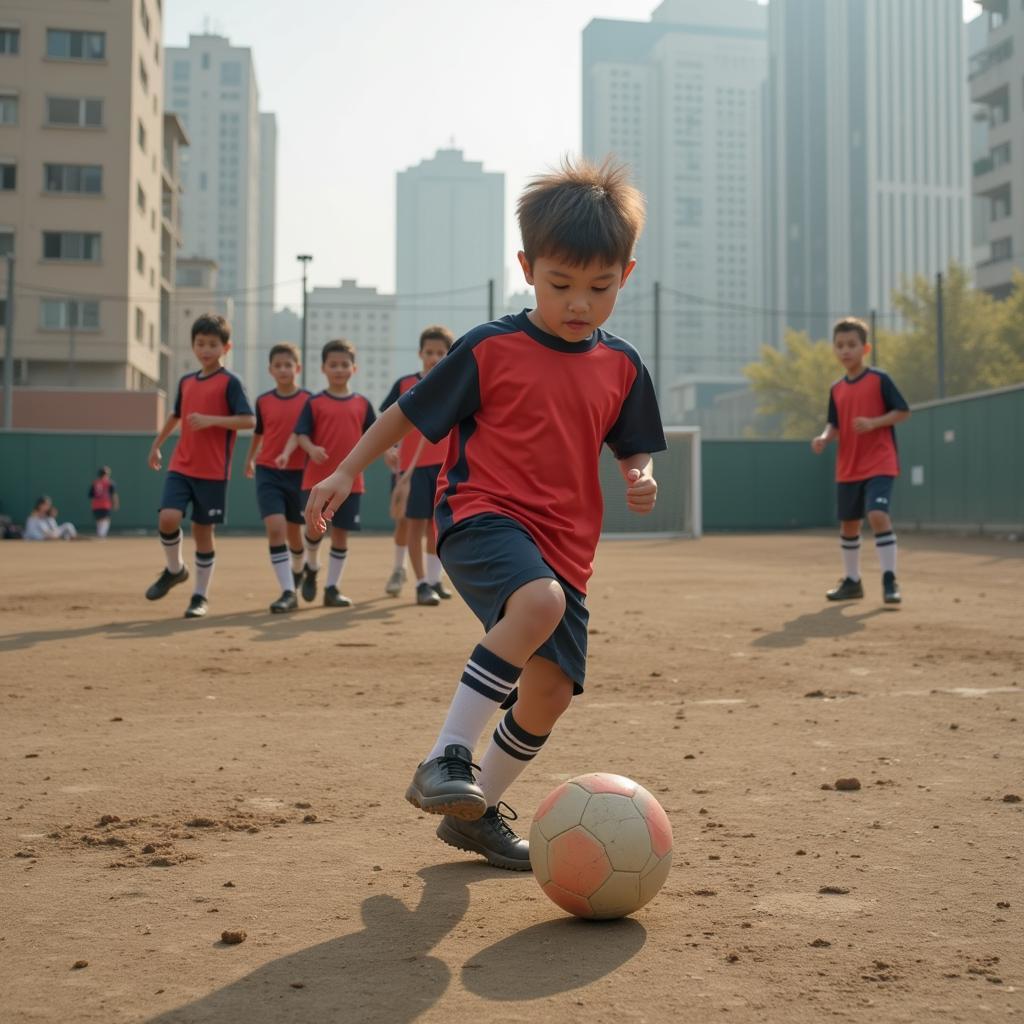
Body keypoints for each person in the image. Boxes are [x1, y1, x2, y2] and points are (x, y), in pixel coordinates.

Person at [305, 158, 665, 869]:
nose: (578, 304)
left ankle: (473, 816)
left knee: (551, 691)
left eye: (599, 288)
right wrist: (347, 469)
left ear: (625, 274)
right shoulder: (490, 347)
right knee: (537, 601)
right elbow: (406, 413)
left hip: (569, 549)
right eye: (561, 285)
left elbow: (632, 445)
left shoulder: (623, 366)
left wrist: (641, 474)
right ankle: (445, 757)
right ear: (528, 267)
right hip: (481, 518)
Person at [145, 314, 255, 618]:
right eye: (200, 343)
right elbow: (176, 414)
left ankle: (199, 597)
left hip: (213, 471)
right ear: (193, 345)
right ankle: (175, 569)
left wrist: (212, 421)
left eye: (212, 344)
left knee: (203, 532)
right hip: (181, 466)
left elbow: (249, 420)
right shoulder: (186, 381)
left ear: (226, 347)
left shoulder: (231, 383)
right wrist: (157, 445)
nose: (205, 349)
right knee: (168, 518)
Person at [811, 317, 911, 605]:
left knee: (877, 516)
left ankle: (890, 580)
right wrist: (824, 437)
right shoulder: (836, 389)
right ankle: (852, 581)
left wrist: (874, 422)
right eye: (840, 345)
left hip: (880, 461)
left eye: (852, 345)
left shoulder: (880, 379)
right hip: (848, 466)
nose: (846, 350)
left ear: (865, 348)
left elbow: (903, 412)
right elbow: (834, 424)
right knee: (849, 526)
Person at [278, 339, 376, 608]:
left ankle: (332, 588)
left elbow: (374, 436)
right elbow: (300, 435)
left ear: (354, 368)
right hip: (316, 481)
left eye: (345, 364)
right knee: (314, 530)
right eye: (333, 364)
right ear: (323, 368)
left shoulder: (362, 404)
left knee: (341, 534)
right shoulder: (314, 402)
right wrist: (311, 449)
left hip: (352, 483)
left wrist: (390, 450)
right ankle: (311, 566)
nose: (339, 369)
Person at [379, 325, 455, 606]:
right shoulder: (404, 385)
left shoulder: (455, 385)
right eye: (429, 352)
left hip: (445, 468)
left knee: (436, 528)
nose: (435, 358)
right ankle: (420, 583)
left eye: (441, 352)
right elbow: (386, 420)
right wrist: (389, 447)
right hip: (412, 469)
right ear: (420, 353)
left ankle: (434, 579)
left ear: (449, 355)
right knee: (411, 525)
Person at [244, 343, 310, 614]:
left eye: (288, 365)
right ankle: (287, 591)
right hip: (268, 470)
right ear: (270, 370)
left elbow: (310, 435)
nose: (283, 370)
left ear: (298, 368)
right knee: (276, 528)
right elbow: (260, 433)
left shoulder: (310, 400)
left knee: (295, 534)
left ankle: (298, 570)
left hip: (301, 474)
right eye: (278, 365)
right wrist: (250, 458)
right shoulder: (263, 400)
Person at [88, 466, 119, 539]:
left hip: (96, 505)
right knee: (106, 520)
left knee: (99, 521)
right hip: (105, 505)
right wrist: (115, 504)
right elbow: (114, 494)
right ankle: (101, 535)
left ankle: (100, 535)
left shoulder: (95, 483)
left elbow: (91, 495)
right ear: (106, 474)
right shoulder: (109, 483)